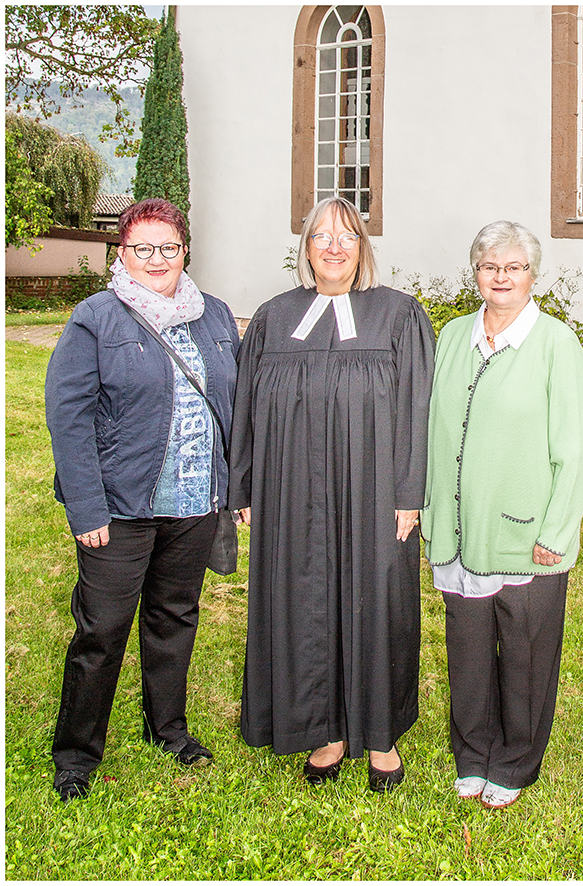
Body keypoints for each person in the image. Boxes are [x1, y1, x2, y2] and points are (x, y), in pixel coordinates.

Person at [228, 197, 435, 791]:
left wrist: (409, 492)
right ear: (306, 248)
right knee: (304, 601)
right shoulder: (272, 317)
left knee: (375, 602)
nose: (334, 246)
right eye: (321, 235)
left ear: (362, 247)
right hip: (291, 491)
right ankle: (324, 731)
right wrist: (243, 484)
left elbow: (418, 410)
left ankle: (379, 737)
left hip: (374, 493)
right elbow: (245, 408)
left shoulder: (397, 316)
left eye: (347, 235)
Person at [45, 198, 240, 801]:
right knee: (102, 629)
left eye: (168, 247)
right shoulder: (96, 318)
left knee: (174, 619)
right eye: (142, 248)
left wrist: (232, 491)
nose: (157, 259)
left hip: (193, 502)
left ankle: (169, 729)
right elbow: (68, 417)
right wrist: (86, 506)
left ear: (185, 251)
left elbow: (235, 408)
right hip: (119, 507)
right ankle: (77, 754)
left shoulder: (215, 316)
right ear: (122, 254)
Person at [420, 220, 583, 809]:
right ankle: (472, 754)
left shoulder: (555, 344)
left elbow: (578, 443)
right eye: (490, 266)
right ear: (475, 274)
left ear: (532, 275)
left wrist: (557, 531)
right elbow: (428, 431)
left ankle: (516, 760)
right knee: (468, 655)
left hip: (528, 536)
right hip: (459, 531)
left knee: (524, 658)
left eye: (514, 267)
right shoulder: (451, 338)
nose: (501, 277)